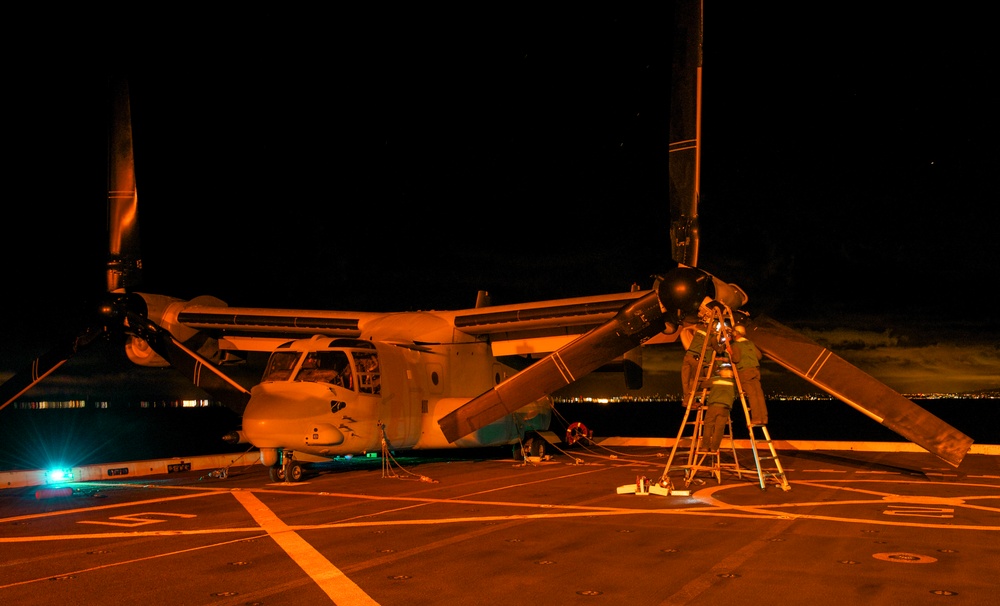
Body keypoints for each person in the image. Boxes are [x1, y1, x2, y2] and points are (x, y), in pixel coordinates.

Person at [729, 324, 768, 425]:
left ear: (735, 333)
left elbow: (736, 359)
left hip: (744, 372)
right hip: (755, 371)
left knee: (752, 395)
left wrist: (730, 353)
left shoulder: (735, 345)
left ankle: (756, 418)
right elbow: (759, 356)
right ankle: (763, 418)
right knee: (759, 395)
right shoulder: (750, 343)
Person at [700, 354, 736, 453]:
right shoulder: (733, 383)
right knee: (719, 429)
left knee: (708, 427)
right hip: (725, 408)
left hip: (713, 406)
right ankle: (714, 448)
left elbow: (703, 385)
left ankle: (705, 447)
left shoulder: (715, 380)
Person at [680, 320, 710, 406]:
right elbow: (711, 349)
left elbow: (689, 328)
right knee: (696, 380)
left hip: (687, 356)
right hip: (696, 358)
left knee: (685, 381)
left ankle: (686, 401)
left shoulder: (699, 330)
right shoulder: (710, 335)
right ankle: (689, 401)